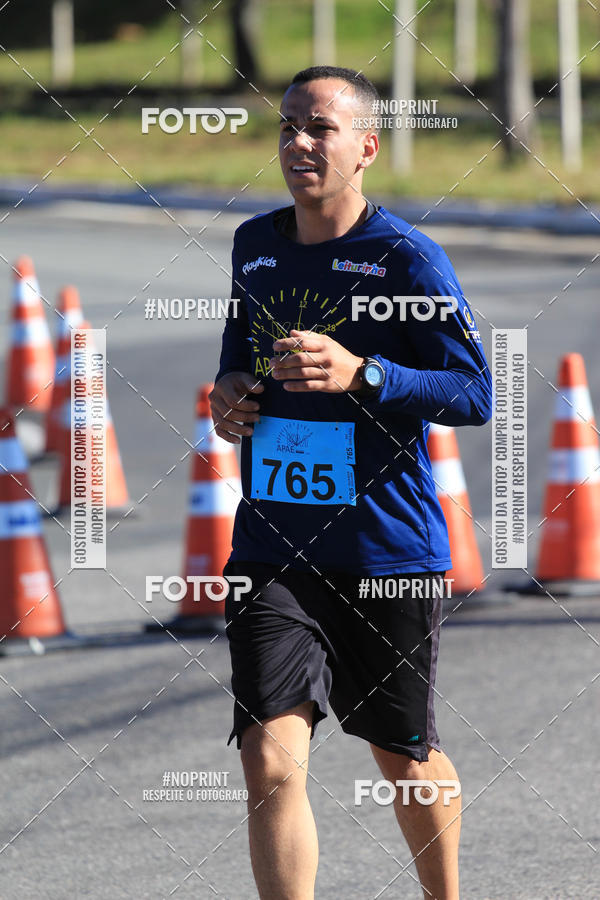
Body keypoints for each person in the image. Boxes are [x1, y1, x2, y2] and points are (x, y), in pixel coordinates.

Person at [209, 65, 492, 900]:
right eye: (289, 126)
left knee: (401, 753)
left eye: (320, 129)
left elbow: (473, 391)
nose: (298, 142)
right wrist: (229, 394)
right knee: (268, 754)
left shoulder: (405, 258)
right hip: (273, 545)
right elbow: (237, 353)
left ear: (365, 148)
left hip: (384, 549)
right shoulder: (254, 246)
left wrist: (365, 375)